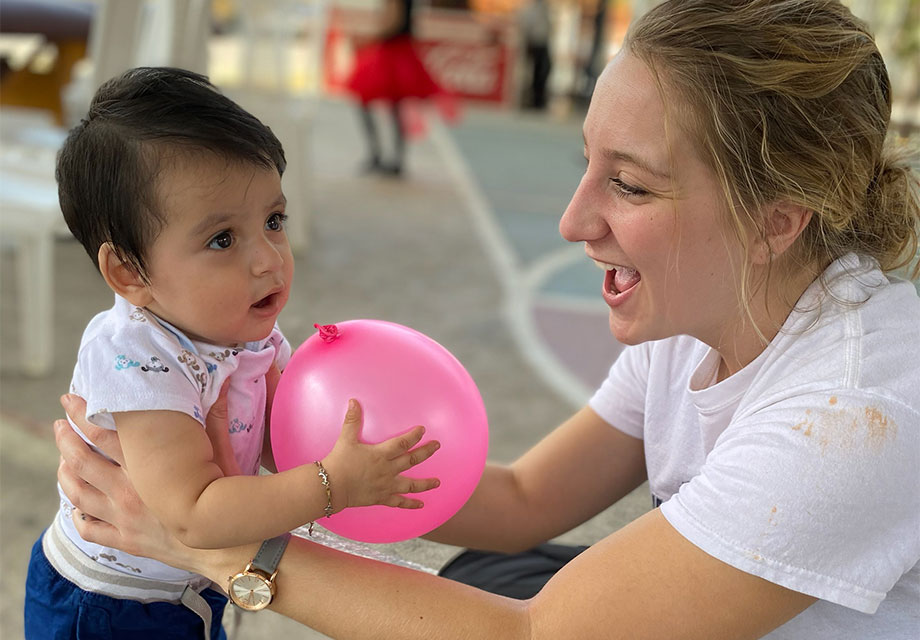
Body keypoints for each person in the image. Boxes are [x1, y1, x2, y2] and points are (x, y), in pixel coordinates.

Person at [54, 1, 920, 638]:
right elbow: (524, 501)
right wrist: (335, 476)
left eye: (630, 183)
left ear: (777, 218)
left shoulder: (853, 415)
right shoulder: (709, 311)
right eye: (588, 164)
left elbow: (536, 638)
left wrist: (214, 546)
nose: (574, 221)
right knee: (476, 576)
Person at [23, 67, 440, 640]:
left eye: (274, 221)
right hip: (107, 607)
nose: (269, 258)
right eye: (223, 239)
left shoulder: (249, 334)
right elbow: (193, 512)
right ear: (129, 271)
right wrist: (330, 485)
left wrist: (344, 446)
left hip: (190, 585)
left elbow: (279, 445)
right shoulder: (136, 357)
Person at [345, 0, 441, 176]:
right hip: (400, 49)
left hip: (392, 51)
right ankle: (395, 158)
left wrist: (369, 37)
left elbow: (392, 23)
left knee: (368, 101)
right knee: (393, 108)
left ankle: (380, 155)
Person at [517, 0, 552, 110]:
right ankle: (534, 99)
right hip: (535, 44)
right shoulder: (531, 10)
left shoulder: (543, 9)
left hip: (542, 44)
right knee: (535, 73)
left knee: (542, 72)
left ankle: (538, 99)